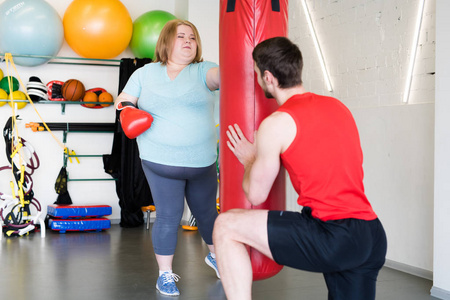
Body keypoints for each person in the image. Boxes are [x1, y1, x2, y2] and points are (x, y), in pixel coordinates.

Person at [213, 36, 387, 300]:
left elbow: (256, 195)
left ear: (268, 78)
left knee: (225, 224)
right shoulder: (338, 107)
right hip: (370, 235)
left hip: (331, 235)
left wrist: (250, 160)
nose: (259, 81)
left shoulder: (277, 122)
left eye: (258, 75)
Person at [115, 19, 220, 296]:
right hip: (160, 160)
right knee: (168, 217)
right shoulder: (145, 74)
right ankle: (165, 275)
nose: (188, 41)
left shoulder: (203, 70)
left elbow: (222, 77)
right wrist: (128, 110)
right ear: (165, 42)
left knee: (208, 215)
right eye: (180, 36)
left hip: (202, 162)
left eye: (192, 37)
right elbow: (123, 99)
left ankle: (216, 257)